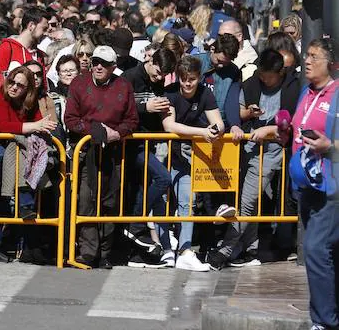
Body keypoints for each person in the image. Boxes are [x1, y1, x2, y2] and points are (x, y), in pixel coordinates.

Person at [207, 48, 300, 269]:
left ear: (279, 74)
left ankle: (226, 249)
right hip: (247, 147)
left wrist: (268, 129)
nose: (262, 78)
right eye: (260, 73)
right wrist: (247, 114)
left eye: (267, 75)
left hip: (272, 152)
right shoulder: (252, 84)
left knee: (247, 201)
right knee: (247, 199)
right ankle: (250, 247)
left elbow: (293, 121)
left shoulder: (293, 88)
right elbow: (236, 109)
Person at [162, 55, 241, 272]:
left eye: (192, 79)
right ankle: (166, 248)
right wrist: (202, 132)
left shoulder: (205, 92)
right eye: (184, 79)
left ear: (199, 78)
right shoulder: (169, 92)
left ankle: (186, 250)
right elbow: (170, 125)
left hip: (194, 155)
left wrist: (215, 131)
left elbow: (219, 122)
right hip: (168, 153)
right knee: (161, 202)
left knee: (188, 201)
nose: (187, 84)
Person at [64, 45, 138, 269]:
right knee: (86, 201)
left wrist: (117, 133)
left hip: (114, 153)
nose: (97, 66)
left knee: (109, 203)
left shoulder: (123, 85)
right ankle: (88, 252)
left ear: (113, 67)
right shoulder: (79, 83)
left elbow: (132, 120)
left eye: (104, 63)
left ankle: (105, 252)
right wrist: (96, 131)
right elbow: (70, 119)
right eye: (95, 61)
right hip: (86, 151)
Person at [289, 38, 338, 330]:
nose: (306, 61)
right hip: (307, 188)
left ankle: (324, 322)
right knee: (325, 253)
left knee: (317, 250)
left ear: (330, 63)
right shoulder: (306, 92)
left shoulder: (336, 96)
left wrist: (329, 145)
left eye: (314, 57)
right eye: (306, 55)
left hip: (331, 190)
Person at [0, 64, 58, 263]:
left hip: (23, 148)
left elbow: (43, 124)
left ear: (27, 89)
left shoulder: (31, 101)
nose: (14, 87)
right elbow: (4, 126)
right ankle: (25, 200)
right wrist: (35, 126)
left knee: (24, 149)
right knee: (17, 149)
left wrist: (37, 127)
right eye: (12, 82)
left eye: (20, 85)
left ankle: (25, 205)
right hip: (1, 146)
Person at [121, 47, 178, 268]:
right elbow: (120, 107)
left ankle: (136, 228)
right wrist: (146, 106)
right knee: (163, 178)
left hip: (149, 143)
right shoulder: (130, 77)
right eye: (156, 73)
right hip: (132, 144)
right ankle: (136, 222)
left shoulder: (158, 82)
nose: (159, 78)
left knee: (146, 185)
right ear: (150, 60)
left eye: (163, 75)